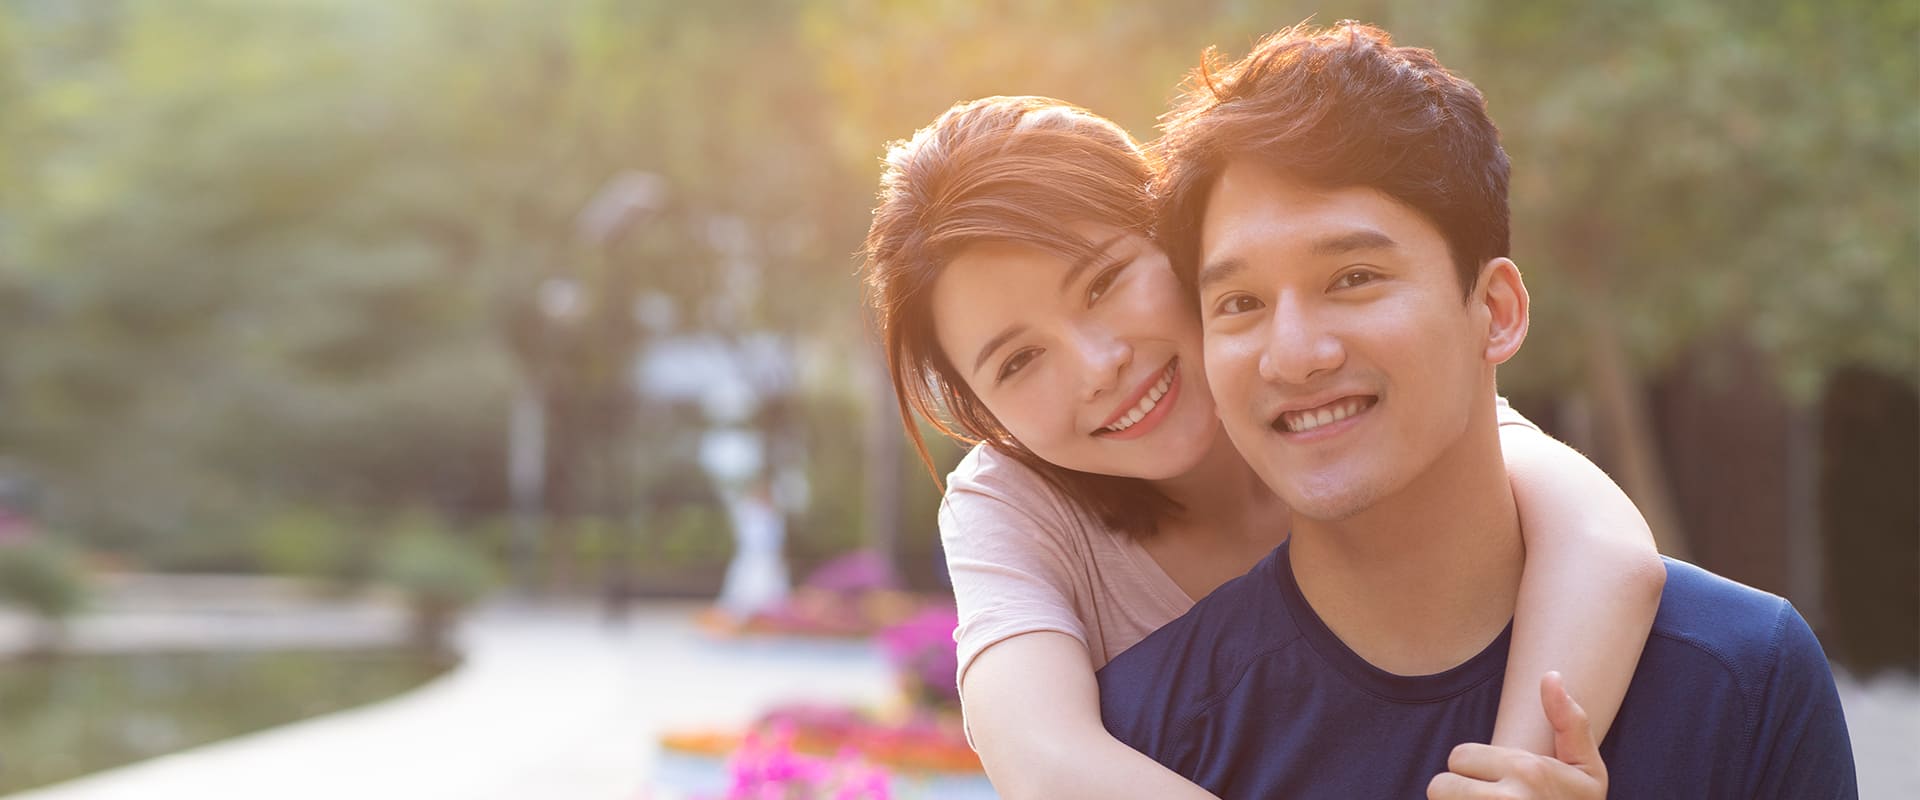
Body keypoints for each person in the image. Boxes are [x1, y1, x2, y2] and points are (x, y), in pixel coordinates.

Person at [1093, 21, 1857, 798]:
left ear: (1496, 310)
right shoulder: (1144, 735)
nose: (1292, 354)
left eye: (1353, 278)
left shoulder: (1741, 679)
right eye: (1241, 302)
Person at [863, 96, 1663, 800]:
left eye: (1104, 283)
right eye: (1019, 361)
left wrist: (1519, 769)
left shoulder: (1329, 394)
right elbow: (1042, 760)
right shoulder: (1013, 503)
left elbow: (1605, 546)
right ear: (982, 410)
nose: (1099, 367)